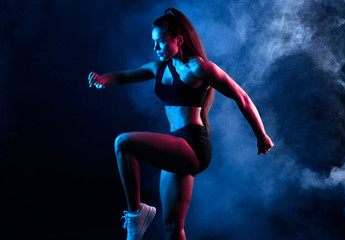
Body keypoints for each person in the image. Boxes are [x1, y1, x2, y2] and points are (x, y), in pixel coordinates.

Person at [88, 7, 273, 240]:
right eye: (153, 42)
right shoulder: (159, 68)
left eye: (161, 42)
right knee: (173, 228)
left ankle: (136, 213)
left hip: (194, 145)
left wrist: (261, 135)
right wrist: (104, 80)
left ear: (179, 40)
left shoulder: (199, 68)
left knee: (123, 142)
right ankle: (139, 214)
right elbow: (125, 76)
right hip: (177, 146)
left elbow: (241, 97)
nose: (155, 48)